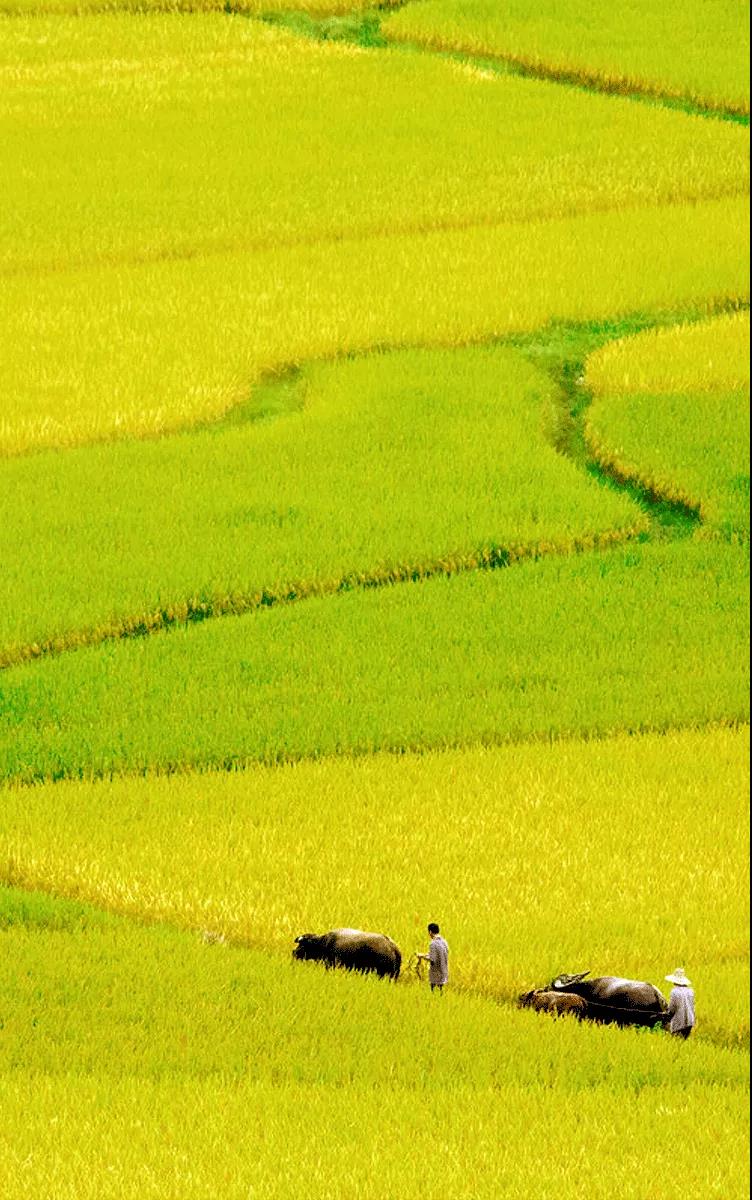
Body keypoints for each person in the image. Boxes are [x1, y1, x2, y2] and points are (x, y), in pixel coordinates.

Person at [664, 967, 695, 1038]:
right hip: (690, 1021)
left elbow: (672, 1009)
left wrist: (666, 1015)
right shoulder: (690, 991)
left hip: (679, 1022)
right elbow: (693, 1007)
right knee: (684, 1040)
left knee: (675, 1041)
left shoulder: (674, 992)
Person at [417, 922, 449, 993]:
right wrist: (424, 954)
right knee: (441, 991)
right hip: (444, 971)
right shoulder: (444, 942)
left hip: (436, 972)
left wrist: (422, 956)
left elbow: (432, 959)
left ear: (430, 932)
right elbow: (439, 954)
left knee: (433, 991)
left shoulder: (433, 943)